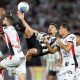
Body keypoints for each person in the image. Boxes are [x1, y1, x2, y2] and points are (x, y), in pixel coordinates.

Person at [0, 15, 26, 80]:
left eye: (4, 20)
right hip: (22, 58)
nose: (3, 21)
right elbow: (10, 43)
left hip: (15, 57)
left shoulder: (6, 28)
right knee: (22, 78)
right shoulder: (13, 29)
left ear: (8, 22)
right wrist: (3, 37)